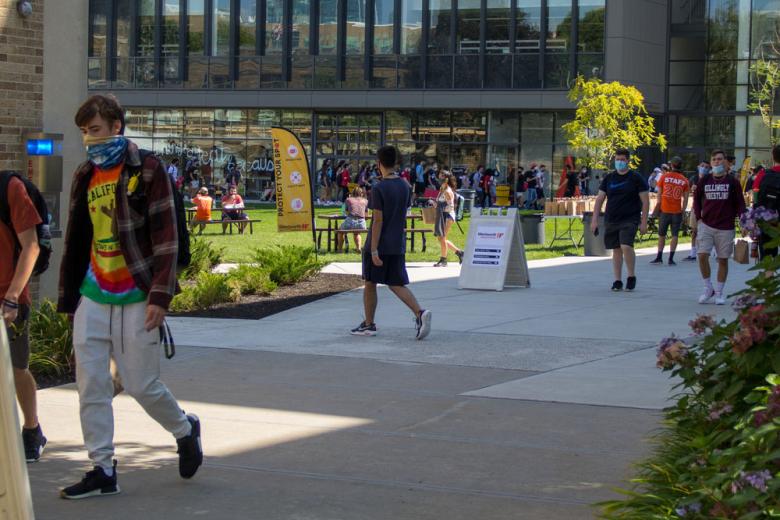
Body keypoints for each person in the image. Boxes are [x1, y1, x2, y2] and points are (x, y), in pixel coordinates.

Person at [58, 94, 202, 499]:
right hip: (93, 292)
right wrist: (70, 299)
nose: (89, 139)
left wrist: (160, 295)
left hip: (137, 293)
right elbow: (76, 238)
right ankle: (102, 468)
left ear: (117, 126)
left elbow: (167, 237)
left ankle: (184, 428)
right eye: (85, 132)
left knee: (141, 385)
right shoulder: (86, 173)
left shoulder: (148, 169)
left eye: (96, 130)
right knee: (91, 386)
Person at [351, 145, 432, 340]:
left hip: (379, 244)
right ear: (395, 163)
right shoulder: (405, 185)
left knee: (370, 282)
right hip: (397, 242)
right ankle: (419, 313)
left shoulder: (379, 188)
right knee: (396, 283)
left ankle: (369, 324)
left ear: (379, 164)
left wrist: (373, 249)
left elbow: (377, 221)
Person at [0, 171, 47, 463]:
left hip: (9, 295)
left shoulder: (10, 189)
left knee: (17, 369)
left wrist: (13, 296)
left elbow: (31, 246)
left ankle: (32, 430)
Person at [590, 148, 650, 292]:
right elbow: (599, 199)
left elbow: (646, 201)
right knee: (616, 249)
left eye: (623, 160)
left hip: (630, 218)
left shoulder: (636, 178)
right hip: (612, 218)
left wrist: (644, 221)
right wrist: (594, 220)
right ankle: (617, 280)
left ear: (628, 161)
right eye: (618, 159)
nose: (620, 162)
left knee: (626, 246)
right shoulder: (609, 178)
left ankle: (631, 276)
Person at [693, 149, 746, 305]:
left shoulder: (733, 182)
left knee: (723, 260)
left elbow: (740, 204)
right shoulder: (705, 180)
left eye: (720, 159)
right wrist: (699, 218)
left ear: (725, 162)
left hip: (726, 227)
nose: (717, 161)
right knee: (702, 255)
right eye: (714, 159)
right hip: (706, 225)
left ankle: (719, 292)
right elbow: (696, 200)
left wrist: (744, 221)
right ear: (711, 162)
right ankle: (708, 287)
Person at [650, 156, 690, 265]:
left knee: (662, 234)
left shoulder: (665, 177)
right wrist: (683, 210)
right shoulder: (684, 180)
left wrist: (659, 205)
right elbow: (685, 198)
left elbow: (659, 193)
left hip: (665, 210)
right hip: (676, 211)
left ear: (671, 165)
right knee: (675, 235)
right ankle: (671, 258)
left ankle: (659, 257)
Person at [431, 171, 465, 267]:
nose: (439, 178)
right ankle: (460, 253)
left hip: (448, 216)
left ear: (446, 179)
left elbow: (451, 206)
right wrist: (435, 204)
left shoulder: (447, 191)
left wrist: (439, 206)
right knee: (441, 238)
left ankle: (443, 260)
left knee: (442, 238)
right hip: (443, 215)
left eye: (441, 176)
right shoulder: (442, 188)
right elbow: (441, 203)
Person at [754, 145, 780, 260]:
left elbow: (755, 199)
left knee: (768, 259)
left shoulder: (763, 174)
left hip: (768, 220)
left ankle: (768, 277)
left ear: (773, 157)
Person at [684, 161, 711, 261]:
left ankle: (708, 251)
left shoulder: (710, 179)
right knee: (694, 230)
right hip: (696, 207)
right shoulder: (694, 178)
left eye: (707, 167)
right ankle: (693, 252)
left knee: (707, 231)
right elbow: (688, 191)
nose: (704, 168)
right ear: (698, 166)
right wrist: (692, 189)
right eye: (702, 166)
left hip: (707, 208)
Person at [337, 186, 369, 252]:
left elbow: (346, 211)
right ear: (361, 193)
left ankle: (340, 249)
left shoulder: (348, 199)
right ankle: (358, 248)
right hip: (361, 223)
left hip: (350, 220)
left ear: (352, 193)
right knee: (357, 233)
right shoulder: (366, 201)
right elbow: (366, 215)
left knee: (340, 231)